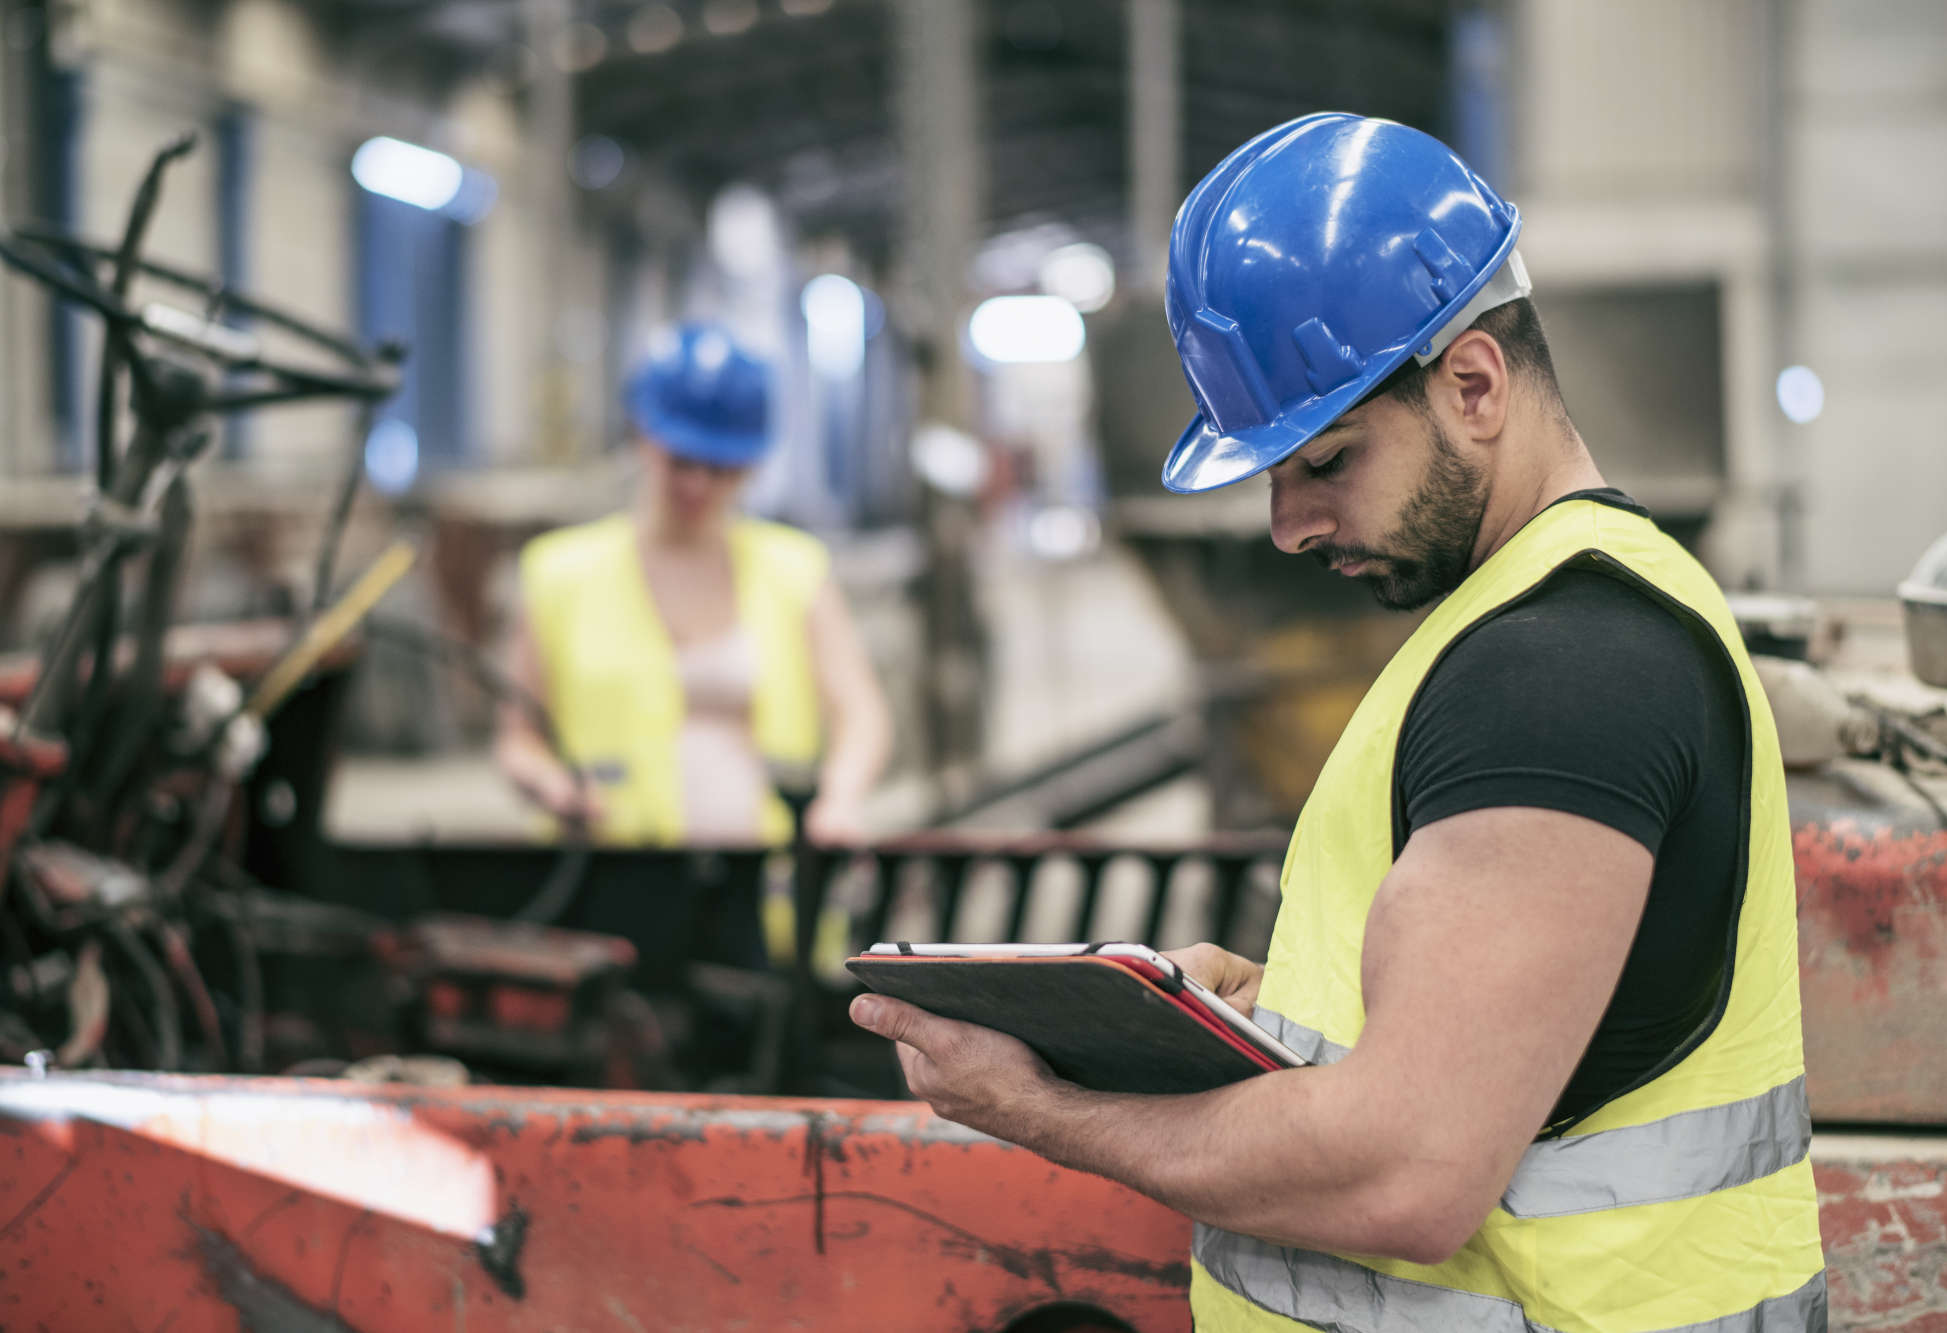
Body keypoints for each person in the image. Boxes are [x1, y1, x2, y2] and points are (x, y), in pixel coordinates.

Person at [850, 114, 1826, 1331]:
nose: (1286, 527)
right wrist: (1268, 1006)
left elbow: (1409, 1173)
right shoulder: (1526, 624)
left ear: (1471, 385)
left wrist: (1037, 1105)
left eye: (1325, 461)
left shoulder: (1560, 670)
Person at [495, 323, 892, 849]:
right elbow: (519, 739)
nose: (696, 484)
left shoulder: (795, 571)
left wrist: (839, 799)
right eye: (681, 460)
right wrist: (552, 785)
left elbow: (861, 713)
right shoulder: (558, 575)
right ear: (642, 436)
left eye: (720, 466)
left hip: (768, 886)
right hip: (611, 874)